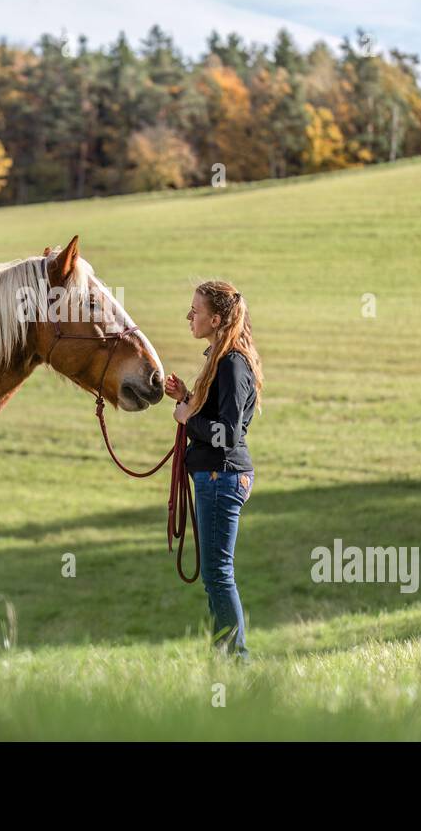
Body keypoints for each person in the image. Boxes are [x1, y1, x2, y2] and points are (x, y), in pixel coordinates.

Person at [166, 281, 264, 662]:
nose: (189, 316)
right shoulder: (222, 361)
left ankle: (237, 659)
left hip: (221, 478)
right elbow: (219, 422)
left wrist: (188, 418)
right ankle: (224, 657)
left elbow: (229, 433)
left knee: (219, 574)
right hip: (215, 477)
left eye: (195, 310)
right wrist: (188, 400)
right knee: (214, 575)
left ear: (217, 318)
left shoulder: (232, 363)